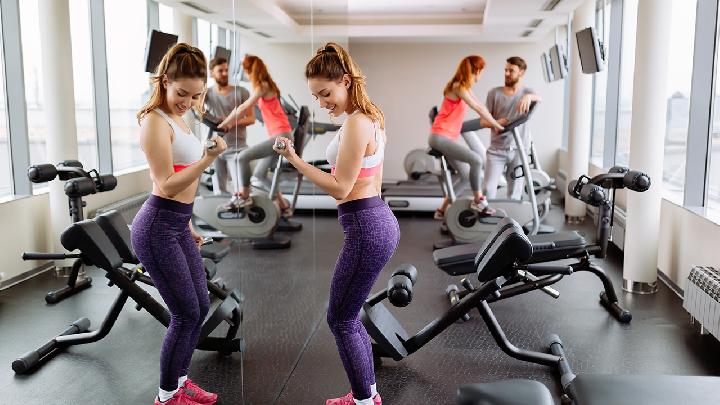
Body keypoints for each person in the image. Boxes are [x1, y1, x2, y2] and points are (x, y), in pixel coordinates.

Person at [273, 42, 399, 405]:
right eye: (316, 97)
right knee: (348, 314)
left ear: (345, 80)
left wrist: (295, 160)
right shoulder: (369, 115)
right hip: (373, 220)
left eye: (326, 93)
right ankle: (366, 394)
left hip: (366, 227)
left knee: (340, 318)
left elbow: (340, 187)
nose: (322, 102)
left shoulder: (358, 122)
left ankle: (364, 400)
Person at [131, 43, 227, 405]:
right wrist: (208, 158)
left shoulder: (181, 119)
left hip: (176, 224)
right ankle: (167, 397)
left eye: (196, 95)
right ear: (165, 81)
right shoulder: (155, 121)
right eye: (181, 93)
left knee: (200, 308)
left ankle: (180, 381)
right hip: (156, 228)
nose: (188, 101)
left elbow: (182, 188)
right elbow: (167, 183)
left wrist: (187, 224)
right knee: (185, 313)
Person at [428, 55, 504, 220]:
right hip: (440, 137)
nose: (481, 75)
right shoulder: (458, 87)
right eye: (481, 71)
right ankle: (479, 200)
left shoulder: (465, 88)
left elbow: (481, 106)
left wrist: (494, 122)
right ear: (477, 70)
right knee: (476, 160)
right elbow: (477, 107)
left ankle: (442, 210)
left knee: (465, 175)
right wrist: (497, 125)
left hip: (446, 138)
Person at [218, 55, 293, 213]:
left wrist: (225, 123)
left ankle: (245, 195)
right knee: (259, 174)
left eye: (245, 71)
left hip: (281, 136)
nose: (245, 75)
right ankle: (284, 205)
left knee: (242, 157)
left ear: (249, 70)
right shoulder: (266, 86)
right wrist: (231, 122)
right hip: (281, 136)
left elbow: (243, 107)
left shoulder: (262, 86)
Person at [481, 56, 541, 199]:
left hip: (519, 149)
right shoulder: (494, 93)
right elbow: (483, 122)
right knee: (488, 190)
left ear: (521, 72)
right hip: (497, 150)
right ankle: (486, 218)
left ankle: (512, 221)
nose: (507, 74)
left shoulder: (528, 92)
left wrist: (529, 97)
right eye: (505, 70)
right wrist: (497, 123)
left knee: (514, 192)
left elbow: (539, 98)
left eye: (511, 71)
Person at [204, 56, 255, 203]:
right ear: (212, 73)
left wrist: (232, 123)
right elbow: (197, 108)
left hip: (237, 147)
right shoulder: (208, 94)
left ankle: (241, 219)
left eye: (226, 70)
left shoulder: (241, 92)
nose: (225, 73)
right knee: (219, 192)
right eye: (220, 71)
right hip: (216, 148)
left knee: (241, 191)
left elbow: (251, 119)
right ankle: (222, 220)